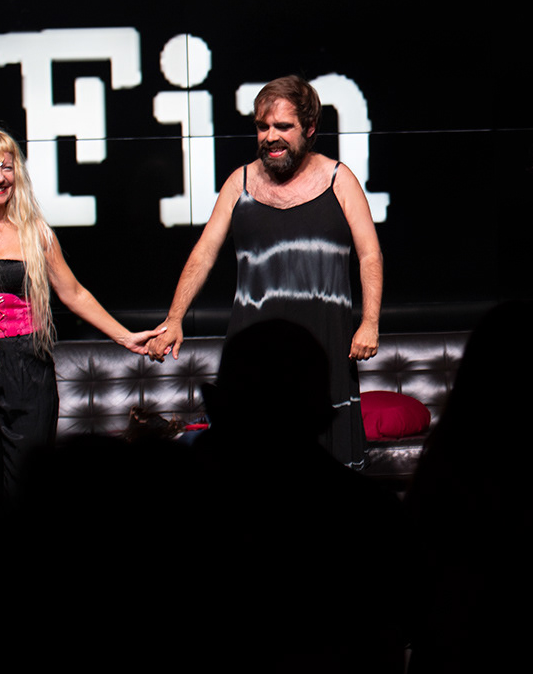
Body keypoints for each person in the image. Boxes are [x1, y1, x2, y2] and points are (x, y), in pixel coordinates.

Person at [0, 127, 159, 542]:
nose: (0, 176)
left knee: (29, 489)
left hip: (27, 368)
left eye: (7, 167)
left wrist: (125, 337)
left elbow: (74, 293)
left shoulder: (36, 233)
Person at [148, 75, 383, 471]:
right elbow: (204, 253)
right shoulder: (238, 183)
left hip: (324, 346)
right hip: (253, 353)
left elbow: (370, 254)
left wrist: (370, 323)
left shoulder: (338, 180)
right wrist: (174, 319)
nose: (271, 136)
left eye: (283, 126)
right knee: (250, 473)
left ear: (309, 128)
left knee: (328, 471)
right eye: (263, 126)